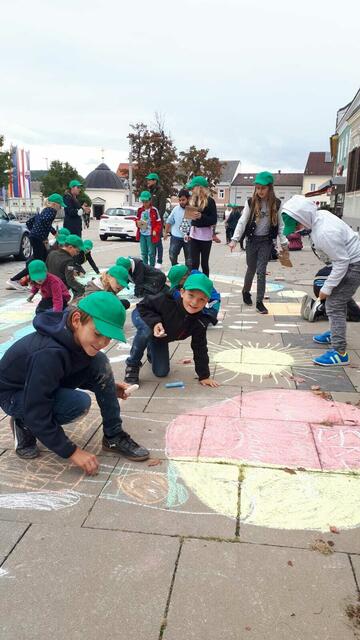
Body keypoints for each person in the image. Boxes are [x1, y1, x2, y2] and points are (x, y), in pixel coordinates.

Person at [0, 291, 149, 468]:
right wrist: (71, 452)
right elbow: (38, 407)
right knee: (77, 404)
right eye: (98, 333)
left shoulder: (74, 335)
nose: (103, 342)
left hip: (38, 383)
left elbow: (65, 370)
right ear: (77, 320)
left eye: (108, 337)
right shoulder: (48, 353)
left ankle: (113, 436)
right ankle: (23, 422)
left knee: (99, 361)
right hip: (14, 395)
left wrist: (106, 386)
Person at [282, 195, 360, 366]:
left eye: (297, 224)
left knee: (334, 304)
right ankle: (335, 332)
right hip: (348, 261)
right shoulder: (319, 217)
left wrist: (327, 287)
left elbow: (342, 262)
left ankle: (340, 352)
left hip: (354, 264)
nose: (297, 229)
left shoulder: (324, 233)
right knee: (338, 299)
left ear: (304, 217)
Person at [124, 273, 219, 387]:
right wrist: (155, 322)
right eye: (191, 295)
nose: (194, 302)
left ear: (207, 301)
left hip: (161, 334)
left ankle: (151, 346)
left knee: (161, 372)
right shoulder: (166, 301)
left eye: (201, 299)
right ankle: (132, 365)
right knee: (146, 330)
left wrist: (204, 376)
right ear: (182, 292)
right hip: (144, 314)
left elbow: (200, 347)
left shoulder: (200, 321)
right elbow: (143, 306)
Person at [229, 171, 289, 314]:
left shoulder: (277, 203)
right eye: (258, 188)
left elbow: (281, 225)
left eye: (263, 188)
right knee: (251, 268)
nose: (260, 191)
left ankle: (259, 302)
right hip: (252, 241)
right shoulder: (250, 202)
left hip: (266, 242)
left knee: (261, 271)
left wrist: (284, 243)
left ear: (270, 188)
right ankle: (245, 291)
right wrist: (234, 239)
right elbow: (242, 222)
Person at [6, 194, 65, 290]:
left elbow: (30, 222)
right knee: (38, 263)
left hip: (36, 237)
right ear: (54, 204)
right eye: (60, 205)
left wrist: (34, 232)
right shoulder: (51, 211)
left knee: (45, 258)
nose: (61, 207)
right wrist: (50, 234)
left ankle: (36, 280)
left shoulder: (44, 211)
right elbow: (45, 221)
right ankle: (14, 280)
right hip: (38, 238)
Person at [186, 176, 218, 277]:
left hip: (205, 236)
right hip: (194, 235)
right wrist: (188, 233)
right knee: (194, 263)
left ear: (199, 188)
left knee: (204, 263)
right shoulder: (192, 200)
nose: (191, 190)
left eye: (193, 188)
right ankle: (193, 285)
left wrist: (201, 216)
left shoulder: (210, 201)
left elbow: (213, 220)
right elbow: (191, 220)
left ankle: (205, 286)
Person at [164, 189, 192, 269]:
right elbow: (169, 221)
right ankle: (176, 270)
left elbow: (194, 225)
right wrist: (165, 232)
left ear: (188, 199)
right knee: (172, 255)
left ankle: (188, 275)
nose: (181, 202)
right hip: (176, 237)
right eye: (179, 200)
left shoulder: (191, 209)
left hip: (189, 238)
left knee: (189, 260)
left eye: (183, 200)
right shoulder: (176, 209)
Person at [135, 191, 162, 267]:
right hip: (142, 234)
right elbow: (137, 219)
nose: (144, 204)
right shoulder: (140, 210)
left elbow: (158, 223)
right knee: (144, 252)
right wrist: (137, 223)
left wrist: (155, 230)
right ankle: (145, 267)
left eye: (146, 202)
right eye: (143, 202)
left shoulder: (154, 210)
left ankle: (151, 268)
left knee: (151, 253)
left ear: (150, 201)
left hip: (150, 235)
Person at [146, 172, 167, 268]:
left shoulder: (161, 192)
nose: (148, 181)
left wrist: (156, 220)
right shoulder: (149, 192)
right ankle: (152, 261)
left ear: (155, 181)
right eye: (148, 180)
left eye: (150, 180)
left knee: (157, 241)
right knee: (151, 242)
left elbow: (162, 209)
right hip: (149, 221)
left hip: (157, 221)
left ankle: (159, 261)